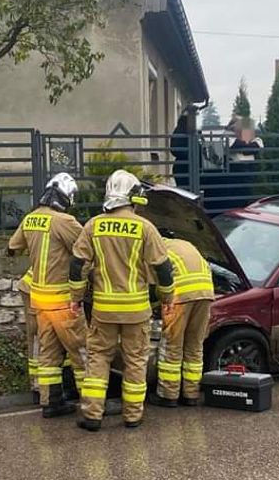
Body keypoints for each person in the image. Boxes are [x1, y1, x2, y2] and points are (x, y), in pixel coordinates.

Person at [70, 170, 175, 431]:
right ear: (132, 196)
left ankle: (92, 415)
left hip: (104, 310)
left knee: (98, 359)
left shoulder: (93, 225)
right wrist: (167, 298)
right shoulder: (145, 228)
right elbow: (163, 268)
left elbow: (77, 265)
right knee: (135, 361)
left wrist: (75, 297)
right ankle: (132, 416)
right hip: (136, 311)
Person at [8, 173, 86, 418]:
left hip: (39, 300)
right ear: (66, 197)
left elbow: (12, 247)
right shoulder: (65, 221)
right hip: (63, 299)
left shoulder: (31, 219)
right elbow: (87, 251)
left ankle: (51, 403)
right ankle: (92, 404)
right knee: (82, 352)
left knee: (49, 353)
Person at [154, 236, 215, 407]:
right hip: (206, 293)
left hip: (180, 297)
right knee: (195, 345)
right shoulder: (186, 244)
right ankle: (191, 394)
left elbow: (156, 280)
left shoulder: (157, 249)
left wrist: (158, 302)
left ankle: (168, 395)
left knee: (172, 345)